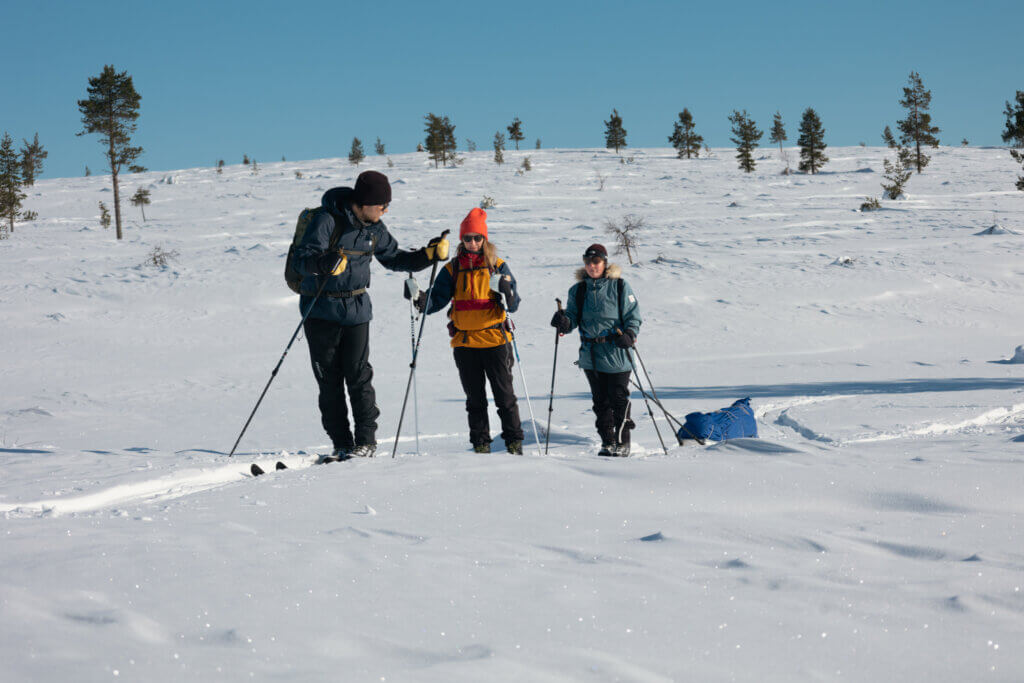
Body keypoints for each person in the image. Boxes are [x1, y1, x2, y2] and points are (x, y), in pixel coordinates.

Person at [294, 170, 448, 461]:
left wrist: (429, 255)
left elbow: (395, 259)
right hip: (320, 311)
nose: (385, 210)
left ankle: (365, 442)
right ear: (363, 202)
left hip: (357, 311)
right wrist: (324, 263)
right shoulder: (326, 221)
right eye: (381, 205)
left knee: (359, 377)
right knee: (329, 381)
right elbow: (303, 261)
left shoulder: (375, 229)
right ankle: (341, 443)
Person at [411, 208, 525, 454]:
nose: (472, 242)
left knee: (505, 397)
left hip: (496, 340)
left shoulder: (497, 266)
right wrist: (421, 300)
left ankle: (514, 443)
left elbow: (514, 304)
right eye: (467, 238)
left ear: (485, 239)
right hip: (465, 343)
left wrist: (507, 291)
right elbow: (437, 299)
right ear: (461, 240)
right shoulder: (452, 269)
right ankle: (480, 445)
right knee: (475, 400)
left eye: (477, 238)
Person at [550, 244, 642, 456]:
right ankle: (607, 442)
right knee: (600, 401)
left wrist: (629, 334)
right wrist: (563, 321)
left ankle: (622, 442)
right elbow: (572, 319)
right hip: (591, 355)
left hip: (617, 352)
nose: (592, 266)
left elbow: (633, 316)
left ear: (604, 263)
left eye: (596, 262)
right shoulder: (578, 290)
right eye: (588, 262)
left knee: (618, 398)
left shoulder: (619, 286)